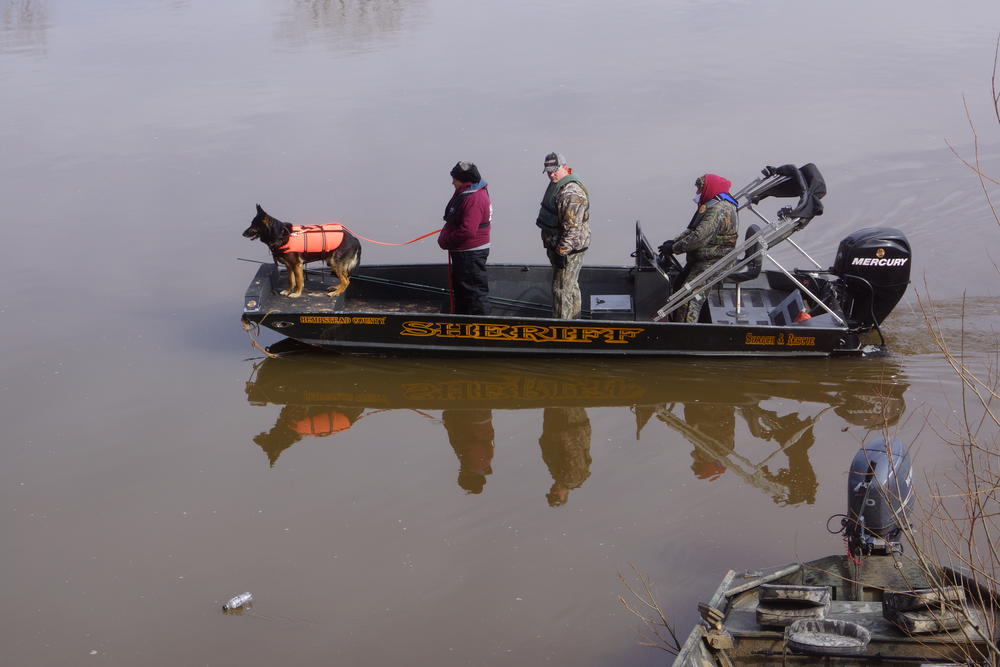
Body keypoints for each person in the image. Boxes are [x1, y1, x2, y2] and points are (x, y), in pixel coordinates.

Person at [659, 173, 739, 322]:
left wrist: (674, 249)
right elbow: (693, 230)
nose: (697, 193)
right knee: (677, 287)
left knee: (689, 299)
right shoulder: (712, 204)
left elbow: (699, 238)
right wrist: (674, 242)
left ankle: (684, 336)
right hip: (702, 258)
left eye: (699, 189)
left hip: (713, 261)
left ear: (708, 188)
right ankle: (676, 323)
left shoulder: (718, 209)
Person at [536, 152, 590, 319]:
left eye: (554, 171)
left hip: (568, 250)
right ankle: (574, 323)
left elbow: (572, 230)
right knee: (570, 286)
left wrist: (561, 252)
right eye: (548, 172)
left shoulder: (571, 193)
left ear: (564, 167)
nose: (551, 175)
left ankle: (561, 329)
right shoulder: (558, 183)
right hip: (559, 245)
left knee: (560, 289)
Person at [438, 161, 492, 315]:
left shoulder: (474, 199)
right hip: (464, 252)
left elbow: (468, 230)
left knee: (475, 292)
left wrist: (446, 241)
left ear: (464, 180)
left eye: (455, 179)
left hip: (471, 253)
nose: (452, 182)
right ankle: (462, 323)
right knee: (462, 290)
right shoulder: (466, 192)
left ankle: (482, 328)